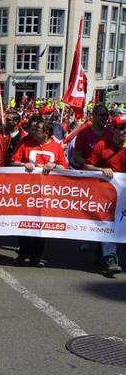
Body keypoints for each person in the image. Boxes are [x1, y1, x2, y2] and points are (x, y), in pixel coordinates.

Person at [11, 115, 68, 267]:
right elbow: (13, 161)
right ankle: (22, 255)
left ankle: (36, 257)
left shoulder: (56, 147)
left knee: (41, 224)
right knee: (24, 223)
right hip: (27, 192)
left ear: (46, 133)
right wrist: (23, 164)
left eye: (37, 130)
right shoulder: (26, 144)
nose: (33, 132)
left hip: (46, 194)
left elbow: (64, 167)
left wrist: (54, 166)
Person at [83, 116, 126, 275]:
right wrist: (101, 170)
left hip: (124, 193)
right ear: (113, 129)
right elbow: (87, 165)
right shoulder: (102, 145)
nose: (124, 131)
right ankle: (110, 257)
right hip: (106, 193)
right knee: (109, 224)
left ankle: (101, 254)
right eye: (121, 128)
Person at [71, 104, 111, 170]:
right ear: (94, 115)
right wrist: (91, 166)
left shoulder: (111, 133)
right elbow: (76, 157)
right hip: (88, 175)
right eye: (102, 115)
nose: (105, 118)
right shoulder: (83, 134)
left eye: (107, 115)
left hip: (107, 176)